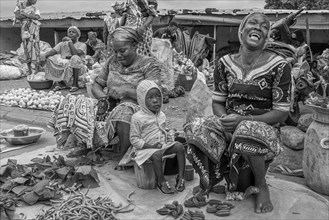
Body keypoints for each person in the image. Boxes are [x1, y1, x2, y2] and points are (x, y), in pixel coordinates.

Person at [184, 12, 292, 214]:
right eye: (253, 23)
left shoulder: (279, 65)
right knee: (195, 127)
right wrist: (224, 119)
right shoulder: (224, 63)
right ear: (242, 30)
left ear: (267, 36)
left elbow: (281, 113)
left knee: (245, 130)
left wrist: (242, 120)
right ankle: (208, 181)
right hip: (231, 122)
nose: (258, 27)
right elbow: (218, 101)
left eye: (264, 26)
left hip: (262, 130)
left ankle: (261, 185)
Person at [48, 26, 162, 170]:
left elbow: (155, 95)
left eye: (122, 51)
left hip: (139, 109)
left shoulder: (149, 64)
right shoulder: (112, 61)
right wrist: (104, 99)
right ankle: (87, 144)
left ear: (135, 46)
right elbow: (96, 84)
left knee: (123, 110)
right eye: (115, 51)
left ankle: (125, 155)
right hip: (111, 104)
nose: (118, 55)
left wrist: (127, 91)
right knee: (72, 101)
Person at [130, 80, 186, 194]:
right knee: (156, 154)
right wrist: (151, 146)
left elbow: (161, 130)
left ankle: (181, 177)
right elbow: (134, 139)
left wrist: (169, 134)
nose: (156, 100)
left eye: (158, 96)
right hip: (144, 150)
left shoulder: (161, 115)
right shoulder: (137, 118)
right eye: (150, 98)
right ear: (141, 100)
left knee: (180, 147)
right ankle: (161, 181)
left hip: (161, 146)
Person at [41, 26, 88, 92]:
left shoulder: (82, 44)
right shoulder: (62, 44)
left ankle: (75, 84)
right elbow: (52, 51)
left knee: (75, 58)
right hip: (65, 65)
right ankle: (61, 83)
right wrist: (43, 56)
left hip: (78, 68)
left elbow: (75, 53)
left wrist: (70, 42)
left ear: (78, 35)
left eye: (73, 32)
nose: (71, 33)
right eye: (69, 32)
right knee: (50, 58)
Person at [14, 0, 41, 75]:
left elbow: (37, 17)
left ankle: (36, 71)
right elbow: (17, 16)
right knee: (27, 49)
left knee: (35, 49)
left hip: (34, 30)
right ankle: (30, 71)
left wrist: (25, 14)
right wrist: (30, 16)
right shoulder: (19, 6)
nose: (34, 0)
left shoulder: (35, 8)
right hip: (25, 30)